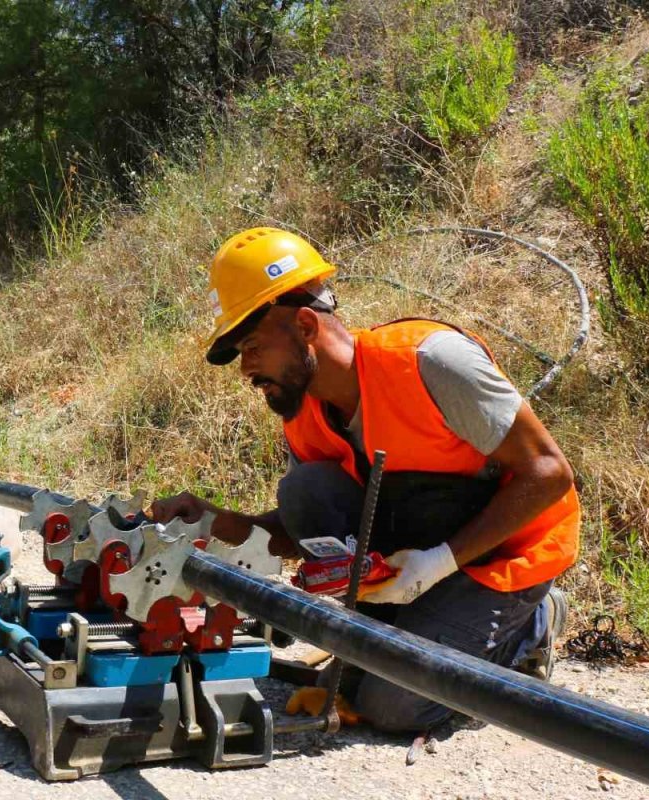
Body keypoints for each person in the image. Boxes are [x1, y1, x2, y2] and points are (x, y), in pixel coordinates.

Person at [151, 227, 579, 732]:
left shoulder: (432, 363)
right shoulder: (304, 413)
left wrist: (440, 562)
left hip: (501, 558)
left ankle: (531, 626)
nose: (247, 369)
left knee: (394, 708)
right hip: (416, 560)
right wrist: (214, 521)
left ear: (306, 326)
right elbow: (298, 530)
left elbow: (549, 473)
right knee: (304, 492)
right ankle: (412, 631)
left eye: (252, 346)